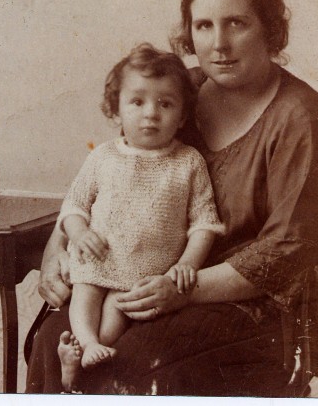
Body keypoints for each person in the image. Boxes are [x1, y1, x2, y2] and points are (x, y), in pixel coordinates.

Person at [26, 0, 318, 396]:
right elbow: (103, 180)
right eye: (203, 26)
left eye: (236, 23)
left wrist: (183, 290)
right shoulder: (177, 91)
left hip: (252, 304)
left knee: (138, 360)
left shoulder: (303, 120)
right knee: (51, 336)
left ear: (270, 28)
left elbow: (288, 251)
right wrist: (56, 255)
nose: (219, 44)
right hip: (141, 275)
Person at [56, 43, 224, 392]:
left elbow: (204, 221)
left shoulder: (188, 162)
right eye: (137, 102)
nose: (151, 113)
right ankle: (83, 344)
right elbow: (73, 206)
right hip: (98, 258)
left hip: (145, 274)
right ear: (116, 110)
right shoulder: (102, 157)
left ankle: (83, 359)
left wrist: (188, 264)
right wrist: (79, 233)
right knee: (84, 294)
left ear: (181, 116)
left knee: (116, 317)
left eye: (165, 104)